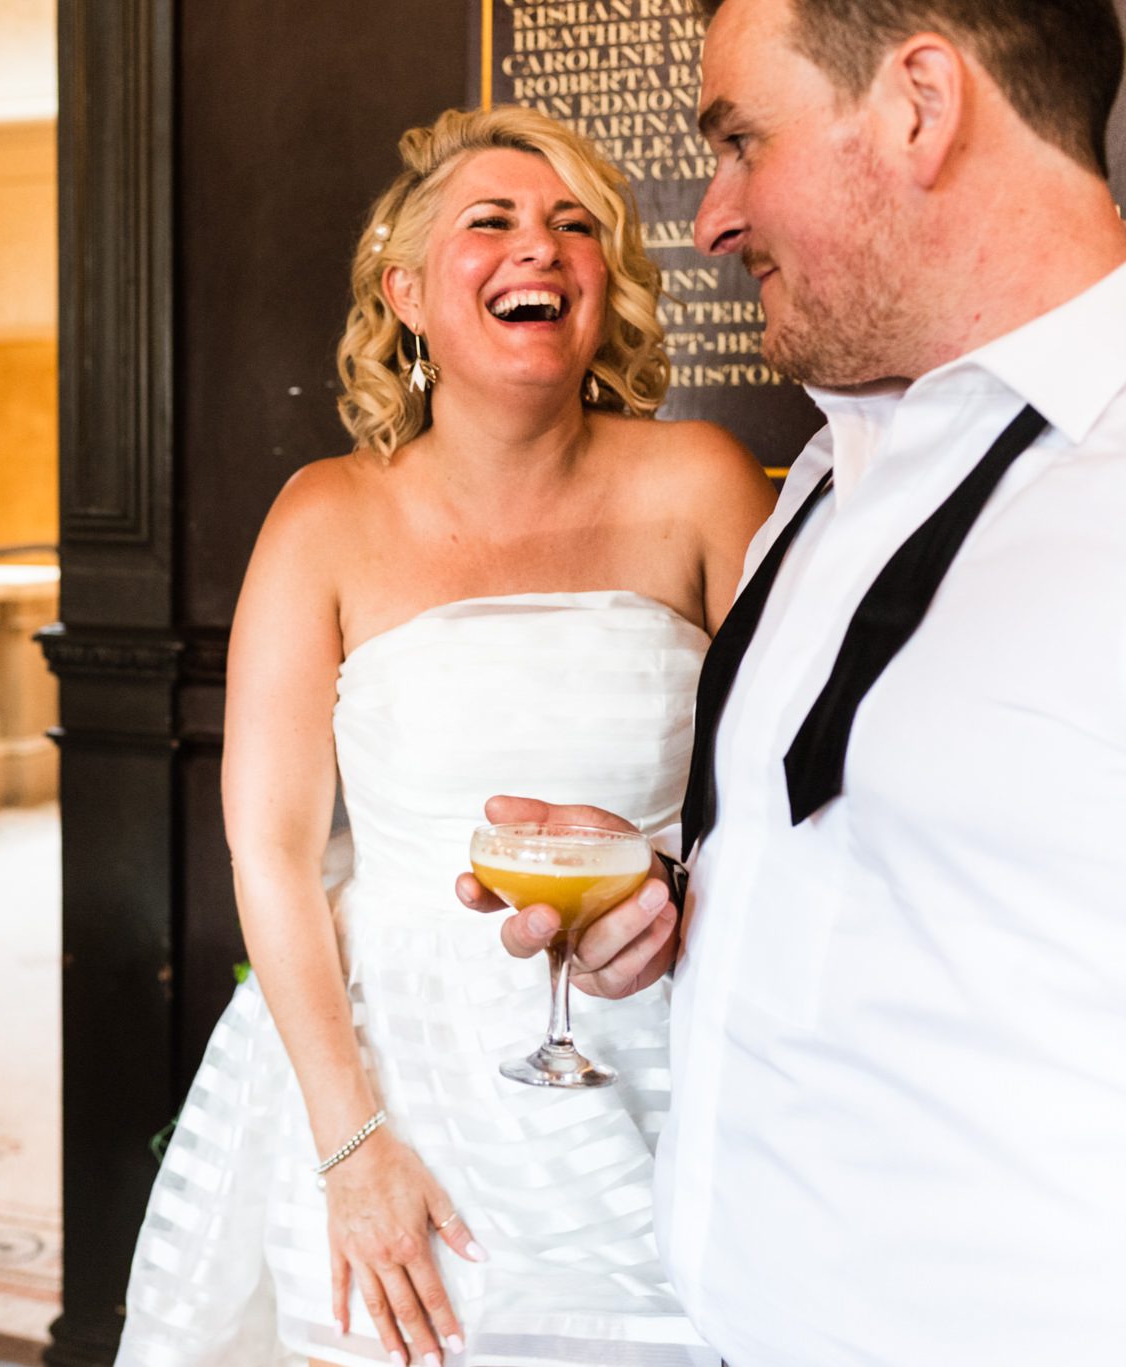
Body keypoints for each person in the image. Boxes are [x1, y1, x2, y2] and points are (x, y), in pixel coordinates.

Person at [458, 3, 1126, 1363]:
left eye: (741, 141)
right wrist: (671, 899)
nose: (708, 219)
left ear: (920, 103)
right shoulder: (828, 478)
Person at [116, 105, 774, 1367]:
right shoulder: (324, 515)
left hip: (652, 1043)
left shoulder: (699, 482)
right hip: (383, 1066)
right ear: (407, 290)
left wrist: (678, 893)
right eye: (493, 222)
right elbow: (271, 854)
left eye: (573, 226)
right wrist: (351, 1145)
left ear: (604, 287)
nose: (539, 247)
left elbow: (790, 788)